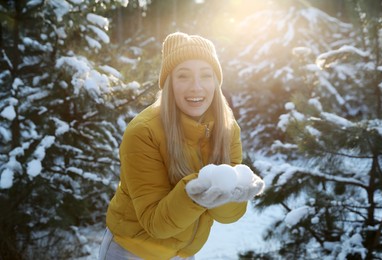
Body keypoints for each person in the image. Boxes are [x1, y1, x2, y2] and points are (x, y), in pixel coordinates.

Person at [98, 32, 264, 260]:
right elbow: (156, 224)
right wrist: (199, 188)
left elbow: (229, 216)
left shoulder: (227, 128)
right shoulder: (143, 132)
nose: (196, 87)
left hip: (183, 253)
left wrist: (233, 191)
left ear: (216, 82)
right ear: (169, 83)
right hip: (132, 250)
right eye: (183, 76)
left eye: (206, 75)